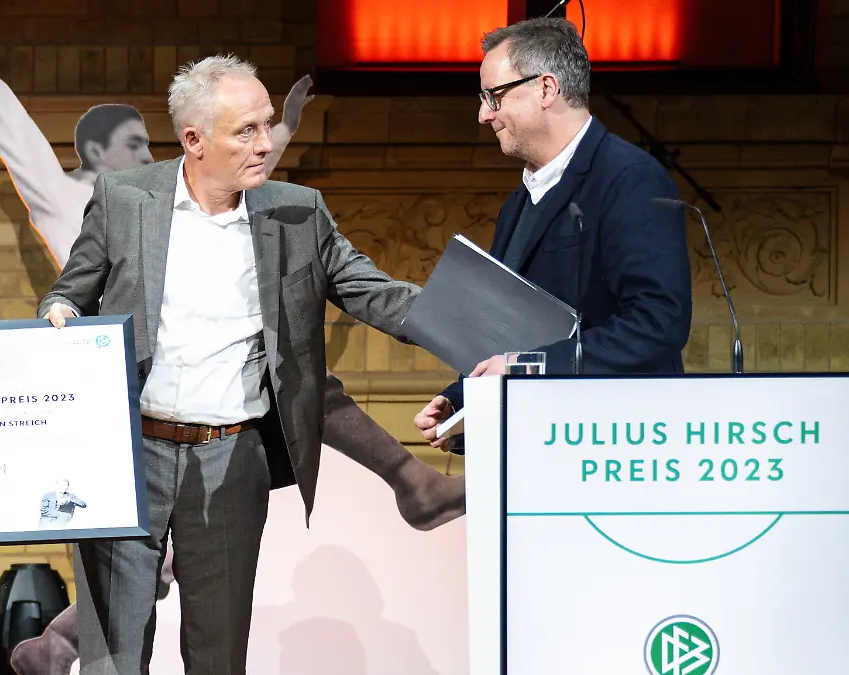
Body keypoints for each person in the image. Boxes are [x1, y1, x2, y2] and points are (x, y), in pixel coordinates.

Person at [38, 54, 420, 674]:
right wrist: (58, 313)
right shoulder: (125, 199)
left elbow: (378, 293)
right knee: (112, 656)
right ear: (194, 140)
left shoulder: (298, 212)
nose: (266, 143)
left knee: (218, 656)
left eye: (267, 124)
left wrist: (478, 327)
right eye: (246, 130)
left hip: (232, 456)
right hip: (126, 455)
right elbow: (68, 292)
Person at [414, 18, 692, 448]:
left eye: (495, 96)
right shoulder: (517, 203)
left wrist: (528, 366)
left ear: (546, 89)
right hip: (542, 454)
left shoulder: (630, 178)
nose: (484, 113)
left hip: (617, 450)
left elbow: (659, 323)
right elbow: (507, 337)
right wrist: (460, 404)